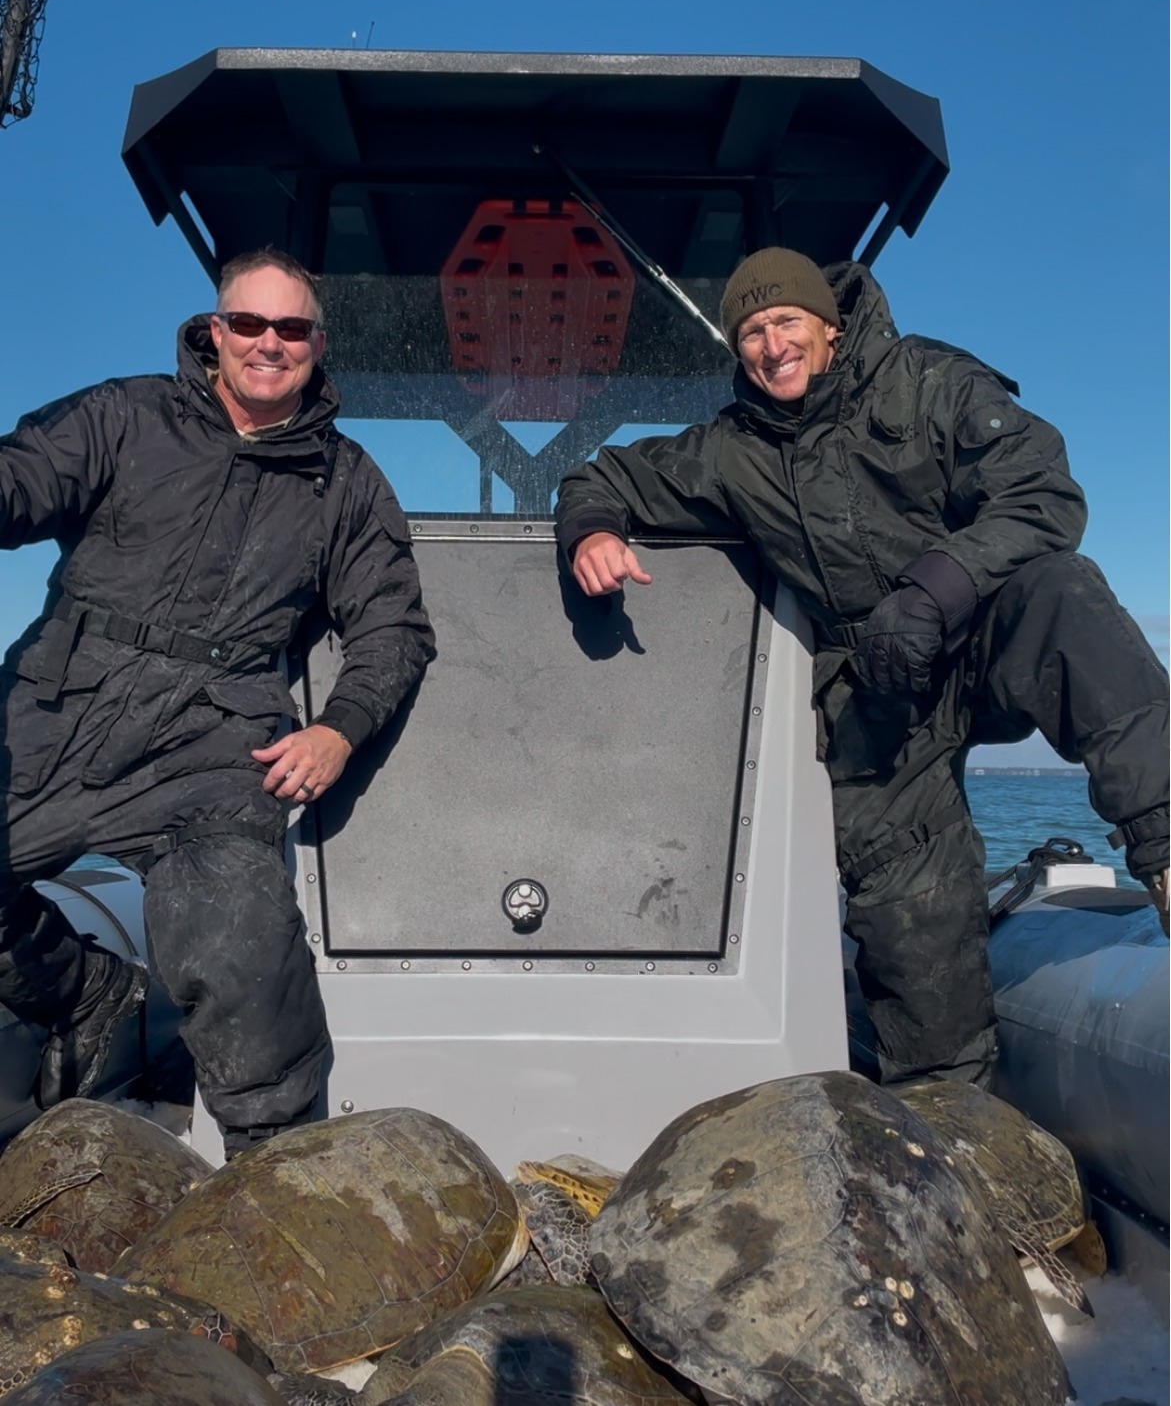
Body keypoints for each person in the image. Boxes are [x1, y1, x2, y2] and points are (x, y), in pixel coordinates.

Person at [555, 247, 1169, 1088]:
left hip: (978, 629)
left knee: (1063, 594)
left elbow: (1042, 496)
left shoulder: (928, 382)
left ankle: (1166, 849)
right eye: (752, 332)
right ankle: (949, 1120)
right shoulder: (729, 449)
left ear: (828, 326)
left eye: (785, 322)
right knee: (910, 935)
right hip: (877, 700)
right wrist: (591, 529)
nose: (772, 345)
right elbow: (602, 475)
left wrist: (933, 588)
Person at [0, 247, 434, 1155]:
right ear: (213, 330)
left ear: (318, 345)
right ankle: (82, 991)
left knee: (241, 939)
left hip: (211, 750)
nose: (267, 343)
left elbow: (394, 630)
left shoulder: (345, 481)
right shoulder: (123, 415)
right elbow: (19, 482)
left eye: (291, 329)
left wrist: (338, 729)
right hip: (53, 712)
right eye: (248, 323)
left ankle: (272, 1172)